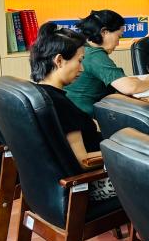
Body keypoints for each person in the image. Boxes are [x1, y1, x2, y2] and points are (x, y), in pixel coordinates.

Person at [30, 22, 116, 203]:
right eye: (79, 61)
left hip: (48, 189)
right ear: (59, 60)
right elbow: (83, 161)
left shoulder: (36, 94)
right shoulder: (59, 105)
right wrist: (128, 154)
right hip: (89, 183)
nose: (82, 69)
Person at [64, 9, 149, 116]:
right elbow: (129, 87)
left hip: (71, 113)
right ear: (104, 32)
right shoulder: (94, 55)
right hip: (86, 117)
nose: (118, 43)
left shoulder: (83, 48)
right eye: (118, 36)